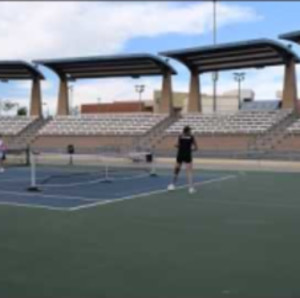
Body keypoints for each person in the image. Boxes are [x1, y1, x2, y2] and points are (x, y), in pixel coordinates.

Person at [168, 125, 198, 194]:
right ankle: (190, 188)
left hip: (180, 154)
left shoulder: (180, 136)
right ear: (187, 131)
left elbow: (175, 145)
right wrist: (190, 149)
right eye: (190, 130)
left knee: (176, 170)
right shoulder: (192, 137)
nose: (191, 131)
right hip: (187, 155)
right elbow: (196, 148)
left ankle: (172, 185)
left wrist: (181, 147)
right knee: (189, 172)